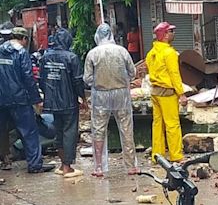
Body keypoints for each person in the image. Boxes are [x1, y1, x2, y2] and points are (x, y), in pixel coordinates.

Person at [83, 23, 138, 177]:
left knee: (99, 129)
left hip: (100, 95)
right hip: (121, 94)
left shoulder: (92, 54)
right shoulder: (122, 51)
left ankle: (99, 167)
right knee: (126, 128)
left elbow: (87, 79)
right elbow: (132, 73)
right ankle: (131, 166)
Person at [0, 27, 55, 173]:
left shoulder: (0, 50)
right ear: (24, 39)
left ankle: (5, 161)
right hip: (20, 100)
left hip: (1, 100)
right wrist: (36, 100)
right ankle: (35, 165)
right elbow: (28, 78)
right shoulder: (21, 53)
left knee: (2, 132)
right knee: (29, 132)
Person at [39, 28, 85, 178]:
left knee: (59, 132)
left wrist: (47, 95)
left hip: (52, 102)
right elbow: (77, 81)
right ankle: (67, 167)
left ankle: (61, 164)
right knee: (70, 132)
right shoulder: (71, 57)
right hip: (68, 101)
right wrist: (82, 97)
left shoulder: (45, 57)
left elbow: (42, 79)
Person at [146, 22, 188, 162]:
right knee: (172, 124)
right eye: (170, 31)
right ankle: (176, 155)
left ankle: (157, 156)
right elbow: (174, 74)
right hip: (167, 93)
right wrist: (181, 94)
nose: (173, 33)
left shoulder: (151, 53)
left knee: (157, 124)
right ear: (164, 35)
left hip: (155, 92)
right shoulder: (169, 53)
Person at [0, 21, 14, 170]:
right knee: (26, 127)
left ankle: (6, 157)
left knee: (3, 129)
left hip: (3, 96)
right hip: (16, 97)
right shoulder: (19, 51)